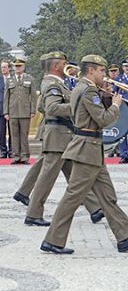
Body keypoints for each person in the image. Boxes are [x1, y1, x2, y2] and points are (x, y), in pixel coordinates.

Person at [41, 55, 128, 254]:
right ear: (91, 70)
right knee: (73, 197)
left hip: (92, 149)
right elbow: (103, 120)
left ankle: (124, 236)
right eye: (102, 71)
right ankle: (53, 240)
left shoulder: (84, 88)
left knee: (107, 197)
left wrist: (105, 97)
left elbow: (92, 114)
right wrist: (115, 105)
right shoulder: (88, 90)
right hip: (87, 149)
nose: (104, 75)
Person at [24, 52, 103, 227]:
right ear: (55, 66)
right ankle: (33, 213)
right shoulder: (51, 84)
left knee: (75, 174)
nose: (68, 66)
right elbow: (51, 108)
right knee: (47, 177)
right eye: (63, 63)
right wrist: (77, 106)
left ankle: (95, 208)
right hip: (57, 136)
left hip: (63, 135)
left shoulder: (58, 83)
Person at [3, 58, 36, 164]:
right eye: (16, 66)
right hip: (13, 112)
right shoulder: (10, 80)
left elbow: (33, 97)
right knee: (14, 135)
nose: (18, 68)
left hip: (25, 111)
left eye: (20, 66)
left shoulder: (30, 79)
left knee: (24, 135)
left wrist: (33, 110)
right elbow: (6, 97)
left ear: (23, 67)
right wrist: (6, 112)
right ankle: (16, 156)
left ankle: (25, 156)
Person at [0, 60, 12, 158]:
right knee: (2, 131)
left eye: (5, 67)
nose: (3, 69)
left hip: (12, 109)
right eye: (2, 67)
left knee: (12, 131)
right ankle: (3, 151)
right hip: (0, 109)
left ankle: (12, 151)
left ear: (9, 68)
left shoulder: (13, 79)